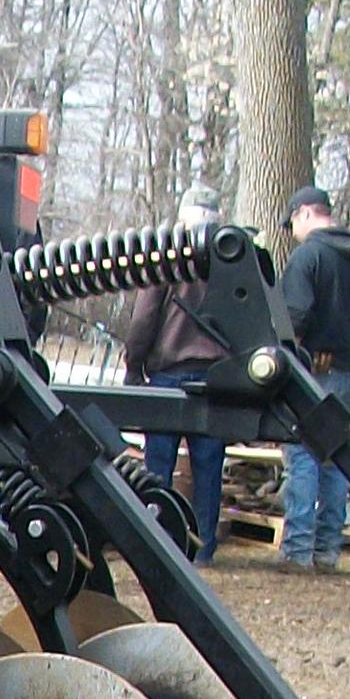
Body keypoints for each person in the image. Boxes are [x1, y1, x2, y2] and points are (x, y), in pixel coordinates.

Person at [274, 185, 350, 574]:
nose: (292, 230)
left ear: (306, 214)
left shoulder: (307, 257)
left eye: (292, 222)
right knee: (337, 458)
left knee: (303, 457)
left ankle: (297, 549)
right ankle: (328, 550)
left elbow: (296, 318)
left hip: (309, 372)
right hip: (345, 372)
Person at [121, 189, 229, 563]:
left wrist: (133, 365)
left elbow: (145, 316)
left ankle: (158, 543)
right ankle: (203, 549)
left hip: (168, 373)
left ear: (184, 216)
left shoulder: (167, 253)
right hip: (216, 377)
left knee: (158, 469)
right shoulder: (229, 258)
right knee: (208, 468)